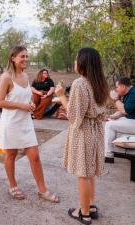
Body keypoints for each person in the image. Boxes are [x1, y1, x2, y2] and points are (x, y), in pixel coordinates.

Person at [0, 46, 59, 203]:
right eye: (22, 56)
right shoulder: (6, 77)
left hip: (25, 123)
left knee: (35, 156)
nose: (25, 59)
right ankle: (13, 186)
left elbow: (25, 96)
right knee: (11, 155)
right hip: (11, 123)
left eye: (26, 56)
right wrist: (22, 106)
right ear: (13, 58)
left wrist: (29, 103)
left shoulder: (25, 76)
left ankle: (43, 190)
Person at [55, 47, 109, 225]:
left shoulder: (80, 83)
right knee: (90, 171)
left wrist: (62, 96)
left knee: (83, 174)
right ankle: (91, 206)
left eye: (77, 59)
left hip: (84, 131)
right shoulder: (100, 82)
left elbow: (74, 116)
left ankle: (84, 213)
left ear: (83, 63)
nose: (75, 62)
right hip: (96, 130)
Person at [104, 77, 135, 163]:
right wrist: (112, 116)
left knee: (110, 125)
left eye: (117, 87)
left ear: (123, 87)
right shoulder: (129, 93)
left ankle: (108, 155)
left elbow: (124, 110)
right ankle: (108, 153)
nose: (116, 89)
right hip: (132, 120)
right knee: (110, 122)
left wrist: (116, 99)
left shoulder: (134, 94)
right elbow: (123, 111)